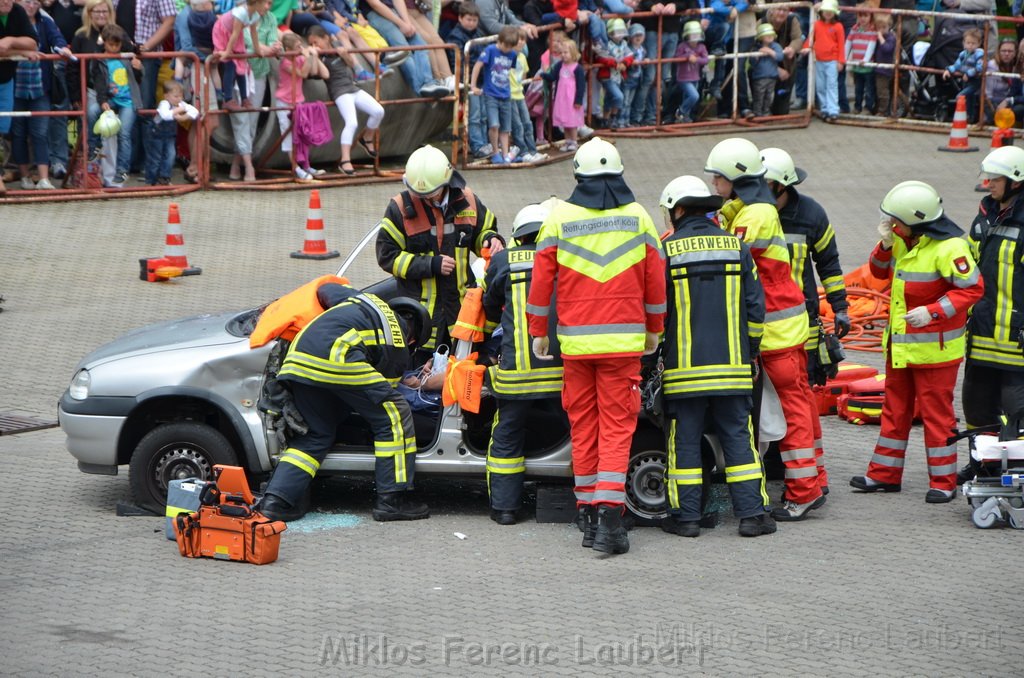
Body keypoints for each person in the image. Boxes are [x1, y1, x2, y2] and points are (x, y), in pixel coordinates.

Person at [527, 137, 667, 556]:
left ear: (577, 176)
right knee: (618, 427)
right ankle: (609, 519)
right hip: (623, 344)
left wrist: (539, 331)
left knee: (584, 426)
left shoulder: (559, 218)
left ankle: (588, 514)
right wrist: (654, 328)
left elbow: (540, 284)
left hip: (574, 344)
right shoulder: (638, 217)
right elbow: (655, 283)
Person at [704, 137, 824, 522]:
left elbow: (725, 255)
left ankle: (803, 492)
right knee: (798, 405)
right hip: (785, 329)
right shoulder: (754, 209)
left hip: (776, 333)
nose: (713, 186)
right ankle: (813, 481)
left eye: (717, 179)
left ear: (734, 178)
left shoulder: (755, 216)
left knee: (792, 411)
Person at [657, 175, 776, 538]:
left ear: (678, 210)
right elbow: (756, 307)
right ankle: (752, 516)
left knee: (686, 443)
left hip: (684, 371)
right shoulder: (736, 247)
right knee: (739, 438)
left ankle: (687, 518)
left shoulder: (667, 250)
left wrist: (654, 357)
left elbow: (656, 311)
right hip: (733, 368)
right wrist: (751, 351)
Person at [850, 181, 983, 502]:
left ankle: (943, 482)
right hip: (900, 347)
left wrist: (933, 312)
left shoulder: (950, 248)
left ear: (916, 219)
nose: (892, 224)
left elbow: (971, 289)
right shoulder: (901, 240)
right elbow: (878, 273)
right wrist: (883, 244)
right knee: (894, 411)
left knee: (937, 416)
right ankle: (884, 475)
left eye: (896, 220)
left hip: (934, 352)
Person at [255, 286, 433, 522]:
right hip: (337, 359)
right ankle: (393, 500)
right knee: (395, 417)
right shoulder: (399, 346)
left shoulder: (366, 300)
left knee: (317, 433)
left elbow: (325, 289)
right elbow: (380, 396)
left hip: (298, 360)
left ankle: (277, 501)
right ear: (413, 340)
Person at [761, 146, 849, 494]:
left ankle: (811, 476)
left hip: (803, 324)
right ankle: (785, 469)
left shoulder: (811, 214)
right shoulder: (750, 214)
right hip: (762, 323)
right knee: (772, 398)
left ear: (781, 187)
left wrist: (840, 307)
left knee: (801, 397)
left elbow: (829, 262)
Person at [375, 144, 504, 359]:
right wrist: (430, 265)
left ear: (446, 182)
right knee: (419, 377)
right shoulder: (400, 209)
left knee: (459, 375)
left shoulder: (467, 200)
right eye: (418, 194)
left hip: (461, 313)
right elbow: (387, 256)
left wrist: (491, 240)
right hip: (420, 316)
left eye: (431, 194)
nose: (425, 199)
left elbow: (484, 230)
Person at [482, 201, 564, 525]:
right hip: (562, 371)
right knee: (580, 433)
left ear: (517, 237)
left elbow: (489, 306)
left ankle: (505, 509)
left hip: (517, 372)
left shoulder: (503, 260)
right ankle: (588, 504)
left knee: (507, 434)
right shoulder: (564, 259)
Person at [958, 146, 1024, 483]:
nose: (988, 184)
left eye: (994, 178)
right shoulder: (985, 214)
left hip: (1016, 339)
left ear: (1015, 180)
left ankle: (1016, 470)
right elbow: (968, 265)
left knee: (1016, 410)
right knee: (976, 404)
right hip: (982, 335)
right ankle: (982, 463)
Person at [306, 25, 384, 175]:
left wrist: (345, 55)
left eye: (316, 42)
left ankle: (367, 138)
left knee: (378, 110)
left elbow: (351, 64)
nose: (314, 46)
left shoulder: (336, 46)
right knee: (352, 122)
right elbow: (318, 73)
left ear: (326, 38)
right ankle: (345, 160)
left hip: (352, 87)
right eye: (311, 44)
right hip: (339, 92)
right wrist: (314, 56)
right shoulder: (319, 56)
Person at [10, 0, 70, 191]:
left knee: (40, 132)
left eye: (36, 2)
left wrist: (62, 48)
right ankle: (25, 176)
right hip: (15, 85)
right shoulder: (12, 20)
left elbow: (57, 39)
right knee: (18, 133)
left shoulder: (45, 20)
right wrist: (24, 51)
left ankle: (44, 179)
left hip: (39, 86)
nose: (31, 6)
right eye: (27, 1)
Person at [0, 0, 44, 197]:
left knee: (3, 129)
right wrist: (22, 51)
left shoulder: (17, 11)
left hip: (6, 79)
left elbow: (33, 42)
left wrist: (10, 41)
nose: (6, 1)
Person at [91, 24, 141, 189]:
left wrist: (138, 68)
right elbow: (98, 82)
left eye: (117, 45)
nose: (114, 48)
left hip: (128, 101)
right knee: (92, 111)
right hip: (111, 99)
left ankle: (122, 170)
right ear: (104, 43)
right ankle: (94, 145)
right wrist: (102, 100)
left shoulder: (127, 57)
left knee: (124, 134)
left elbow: (139, 78)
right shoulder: (99, 60)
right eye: (110, 44)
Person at [276, 31, 329, 181]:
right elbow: (302, 74)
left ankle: (305, 165)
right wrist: (308, 57)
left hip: (298, 100)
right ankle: (296, 168)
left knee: (302, 135)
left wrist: (314, 56)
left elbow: (312, 71)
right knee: (288, 136)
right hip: (284, 101)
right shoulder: (286, 62)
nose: (301, 49)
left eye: (301, 45)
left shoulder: (299, 58)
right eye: (298, 47)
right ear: (288, 49)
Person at [470, 24, 518, 164]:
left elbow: (512, 72)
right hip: (491, 94)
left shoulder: (512, 54)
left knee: (505, 128)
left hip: (506, 95)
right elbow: (478, 65)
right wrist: (473, 85)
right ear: (500, 41)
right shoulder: (490, 50)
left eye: (510, 47)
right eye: (506, 46)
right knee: (494, 125)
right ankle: (495, 152)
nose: (507, 50)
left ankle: (505, 154)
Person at [211, 0, 269, 111]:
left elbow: (254, 33)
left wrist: (258, 50)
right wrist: (228, 52)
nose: (266, 7)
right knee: (231, 64)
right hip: (224, 33)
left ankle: (244, 98)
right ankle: (227, 99)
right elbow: (235, 33)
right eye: (264, 3)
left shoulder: (255, 15)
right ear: (256, 3)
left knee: (241, 66)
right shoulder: (241, 12)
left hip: (234, 36)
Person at [144, 79, 197, 185]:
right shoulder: (164, 103)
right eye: (176, 96)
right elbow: (165, 115)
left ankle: (165, 177)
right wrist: (178, 111)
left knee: (171, 155)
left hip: (170, 135)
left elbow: (195, 111)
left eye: (181, 96)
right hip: (156, 134)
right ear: (167, 96)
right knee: (156, 158)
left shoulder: (181, 103)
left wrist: (183, 118)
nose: (179, 99)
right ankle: (151, 180)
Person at [539, 39, 584, 151]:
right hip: (561, 98)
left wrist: (578, 100)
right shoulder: (560, 65)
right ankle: (567, 141)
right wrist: (544, 75)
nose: (563, 55)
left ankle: (574, 141)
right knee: (564, 121)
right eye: (561, 53)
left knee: (571, 122)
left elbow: (581, 86)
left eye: (566, 53)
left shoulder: (578, 68)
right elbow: (553, 76)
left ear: (573, 53)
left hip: (572, 99)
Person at [509, 28, 545, 162]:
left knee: (527, 123)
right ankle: (523, 152)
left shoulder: (523, 57)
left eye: (523, 39)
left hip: (520, 95)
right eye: (518, 39)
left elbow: (523, 76)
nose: (520, 42)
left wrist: (521, 90)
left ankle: (532, 151)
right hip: (510, 96)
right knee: (517, 125)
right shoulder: (508, 56)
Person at [594, 17, 632, 129]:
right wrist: (615, 64)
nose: (620, 35)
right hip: (608, 76)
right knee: (619, 96)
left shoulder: (624, 44)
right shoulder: (606, 44)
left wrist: (625, 63)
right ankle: (613, 117)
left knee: (610, 98)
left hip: (619, 76)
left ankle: (607, 119)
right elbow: (601, 57)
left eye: (622, 32)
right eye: (617, 32)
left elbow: (630, 55)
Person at [811, 0, 844, 123]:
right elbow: (811, 38)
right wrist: (805, 48)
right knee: (820, 86)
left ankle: (833, 110)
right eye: (826, 10)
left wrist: (841, 61)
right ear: (822, 11)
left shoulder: (838, 26)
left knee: (831, 85)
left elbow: (841, 44)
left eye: (831, 11)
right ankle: (824, 109)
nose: (828, 13)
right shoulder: (816, 24)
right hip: (819, 60)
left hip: (832, 60)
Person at [943, 27, 985, 124]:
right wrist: (948, 70)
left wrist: (969, 73)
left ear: (978, 44)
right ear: (964, 43)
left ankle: (961, 117)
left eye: (973, 43)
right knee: (969, 100)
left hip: (974, 81)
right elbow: (957, 65)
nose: (970, 46)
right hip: (965, 81)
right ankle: (969, 118)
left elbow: (980, 67)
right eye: (968, 43)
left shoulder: (979, 54)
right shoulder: (963, 54)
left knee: (961, 96)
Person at [767, 5, 803, 116]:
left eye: (785, 10)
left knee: (781, 111)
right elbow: (756, 47)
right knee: (761, 105)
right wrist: (775, 69)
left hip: (786, 66)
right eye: (779, 9)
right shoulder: (763, 22)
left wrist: (792, 48)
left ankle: (778, 106)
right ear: (772, 10)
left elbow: (798, 38)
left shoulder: (792, 20)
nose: (782, 13)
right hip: (765, 67)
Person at [672, 20, 707, 124]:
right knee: (694, 96)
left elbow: (705, 59)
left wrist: (696, 59)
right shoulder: (682, 46)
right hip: (683, 78)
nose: (695, 39)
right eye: (693, 36)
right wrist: (687, 57)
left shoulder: (701, 47)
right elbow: (677, 58)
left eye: (697, 35)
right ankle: (681, 111)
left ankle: (684, 117)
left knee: (688, 97)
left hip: (695, 77)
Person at [845, 5, 875, 114]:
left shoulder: (872, 30)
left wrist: (866, 59)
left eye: (866, 16)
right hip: (856, 65)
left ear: (870, 17)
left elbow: (872, 45)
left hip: (867, 66)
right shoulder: (854, 28)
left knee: (869, 89)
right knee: (858, 88)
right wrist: (844, 56)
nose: (863, 19)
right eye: (860, 16)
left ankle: (868, 107)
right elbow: (848, 42)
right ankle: (857, 106)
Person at [750, 22, 783, 118]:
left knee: (769, 96)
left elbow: (780, 57)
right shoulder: (756, 48)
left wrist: (770, 52)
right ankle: (757, 113)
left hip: (772, 77)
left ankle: (766, 112)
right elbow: (752, 62)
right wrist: (757, 55)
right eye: (766, 35)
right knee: (759, 96)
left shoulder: (775, 46)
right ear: (761, 37)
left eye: (771, 35)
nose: (769, 37)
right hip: (759, 77)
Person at [985, 38, 1017, 125]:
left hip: (1008, 100)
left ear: (1015, 53)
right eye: (1003, 51)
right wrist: (995, 111)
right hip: (992, 101)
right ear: (998, 52)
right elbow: (987, 94)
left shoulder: (1016, 66)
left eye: (1010, 51)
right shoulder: (992, 66)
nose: (1007, 54)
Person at [872, 12, 897, 117]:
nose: (881, 30)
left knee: (883, 91)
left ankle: (883, 111)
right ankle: (878, 108)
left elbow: (887, 49)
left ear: (889, 26)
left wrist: (880, 38)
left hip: (885, 69)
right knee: (877, 89)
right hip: (878, 67)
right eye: (879, 28)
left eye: (884, 27)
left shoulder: (890, 38)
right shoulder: (879, 37)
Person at [623, 23, 645, 126]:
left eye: (640, 35)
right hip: (628, 79)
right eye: (635, 35)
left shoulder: (642, 50)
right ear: (630, 37)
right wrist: (633, 62)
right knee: (625, 102)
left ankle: (627, 121)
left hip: (637, 79)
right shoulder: (628, 49)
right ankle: (621, 121)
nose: (638, 38)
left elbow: (642, 60)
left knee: (630, 101)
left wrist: (645, 61)